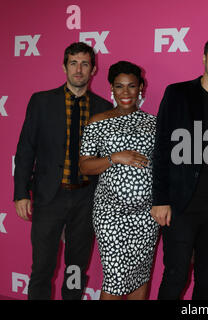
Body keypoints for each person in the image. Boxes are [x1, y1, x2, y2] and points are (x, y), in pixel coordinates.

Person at [13, 42, 113, 300]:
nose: (78, 69)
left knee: (76, 268)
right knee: (43, 267)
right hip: (49, 197)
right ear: (64, 67)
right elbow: (26, 149)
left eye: (85, 64)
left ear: (93, 70)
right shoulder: (42, 102)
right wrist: (21, 193)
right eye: (73, 63)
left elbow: (106, 159)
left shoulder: (104, 109)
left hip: (86, 200)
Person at [151, 30, 208, 300]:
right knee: (175, 276)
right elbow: (162, 148)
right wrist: (160, 199)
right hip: (181, 206)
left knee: (207, 278)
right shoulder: (178, 94)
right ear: (204, 57)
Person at [79, 61, 159, 300]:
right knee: (115, 279)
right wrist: (115, 158)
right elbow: (85, 165)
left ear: (141, 88)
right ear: (111, 89)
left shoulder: (154, 123)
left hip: (146, 216)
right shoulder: (97, 122)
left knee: (140, 276)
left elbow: (162, 167)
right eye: (119, 86)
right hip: (111, 215)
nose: (125, 92)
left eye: (131, 86)